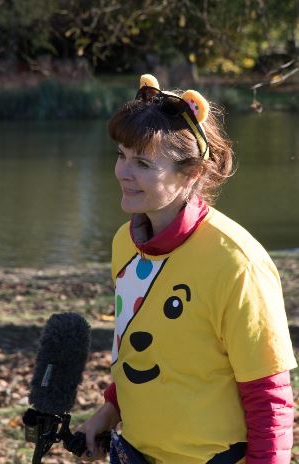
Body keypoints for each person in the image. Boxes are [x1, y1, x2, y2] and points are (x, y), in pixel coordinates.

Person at [79, 75, 296, 463]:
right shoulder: (123, 243)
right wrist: (110, 410)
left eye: (142, 162)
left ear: (192, 172)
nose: (123, 173)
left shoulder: (237, 263)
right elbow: (136, 345)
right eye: (121, 154)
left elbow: (270, 399)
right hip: (131, 453)